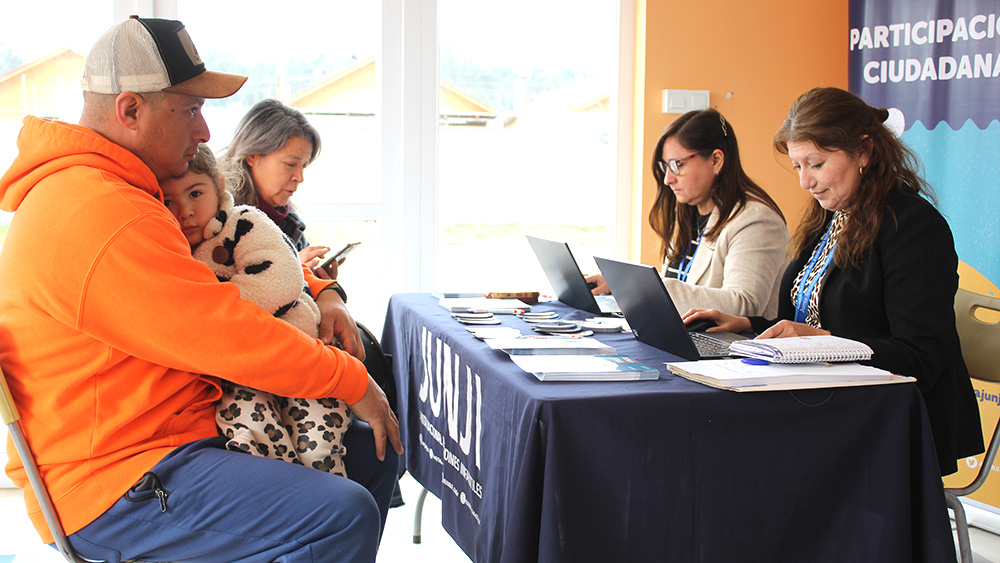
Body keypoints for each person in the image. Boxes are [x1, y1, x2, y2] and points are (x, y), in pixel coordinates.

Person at [0, 16, 401, 562]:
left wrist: (323, 290)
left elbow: (232, 265)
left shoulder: (114, 191)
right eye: (190, 110)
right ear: (131, 110)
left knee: (375, 453)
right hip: (118, 476)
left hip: (174, 436)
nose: (206, 132)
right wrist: (350, 379)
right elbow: (226, 332)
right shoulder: (102, 209)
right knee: (340, 514)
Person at [684, 87, 983, 475]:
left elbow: (919, 358)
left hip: (890, 419)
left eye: (817, 164)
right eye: (797, 166)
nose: (805, 181)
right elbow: (812, 322)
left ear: (864, 152)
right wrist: (748, 325)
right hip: (828, 402)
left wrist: (821, 342)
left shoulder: (912, 227)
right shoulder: (829, 217)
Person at [161, 144, 353, 477]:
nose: (185, 211)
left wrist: (218, 317)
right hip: (240, 376)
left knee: (319, 446)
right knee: (252, 437)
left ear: (220, 186)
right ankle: (288, 495)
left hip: (300, 355)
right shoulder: (170, 247)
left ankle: (323, 491)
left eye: (195, 194)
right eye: (168, 201)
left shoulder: (245, 222)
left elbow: (280, 279)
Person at [586, 109, 789, 317]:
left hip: (729, 338)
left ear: (716, 160)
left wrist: (636, 287)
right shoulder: (689, 210)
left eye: (678, 165)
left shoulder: (756, 220)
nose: (668, 179)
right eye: (666, 166)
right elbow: (685, 284)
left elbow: (744, 304)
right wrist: (617, 286)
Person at [220, 98, 345, 278]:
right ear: (252, 155)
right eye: (290, 164)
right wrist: (290, 271)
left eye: (303, 166)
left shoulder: (291, 224)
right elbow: (223, 290)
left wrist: (317, 283)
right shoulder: (220, 221)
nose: (299, 177)